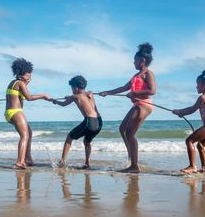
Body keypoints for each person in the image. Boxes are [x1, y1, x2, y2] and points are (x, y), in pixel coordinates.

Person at [100, 43, 156, 173]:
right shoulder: (135, 76)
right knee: (122, 129)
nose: (133, 62)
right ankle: (132, 157)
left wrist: (135, 93)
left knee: (130, 133)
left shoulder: (148, 74)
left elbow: (152, 91)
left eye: (135, 60)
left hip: (145, 104)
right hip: (138, 104)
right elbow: (123, 88)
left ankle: (134, 166)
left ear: (142, 61)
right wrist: (107, 92)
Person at [5, 58, 51, 169]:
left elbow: (21, 93)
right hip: (16, 112)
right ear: (21, 74)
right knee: (24, 136)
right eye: (28, 74)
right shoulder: (20, 83)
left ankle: (28, 159)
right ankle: (20, 161)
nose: (30, 75)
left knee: (29, 133)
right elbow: (29, 97)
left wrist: (26, 83)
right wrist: (43, 95)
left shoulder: (14, 82)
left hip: (10, 113)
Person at [173, 67, 205, 174]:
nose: (196, 86)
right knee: (200, 146)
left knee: (189, 141)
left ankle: (192, 166)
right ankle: (204, 168)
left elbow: (192, 109)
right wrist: (182, 113)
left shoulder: (203, 97)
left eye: (198, 84)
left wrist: (179, 111)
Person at [50, 75, 103, 169]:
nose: (71, 90)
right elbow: (81, 95)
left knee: (69, 137)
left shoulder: (75, 96)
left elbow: (63, 104)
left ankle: (62, 162)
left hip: (89, 122)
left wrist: (54, 101)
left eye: (72, 88)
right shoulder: (90, 94)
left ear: (76, 88)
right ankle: (87, 163)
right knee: (87, 142)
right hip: (99, 122)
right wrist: (70, 96)